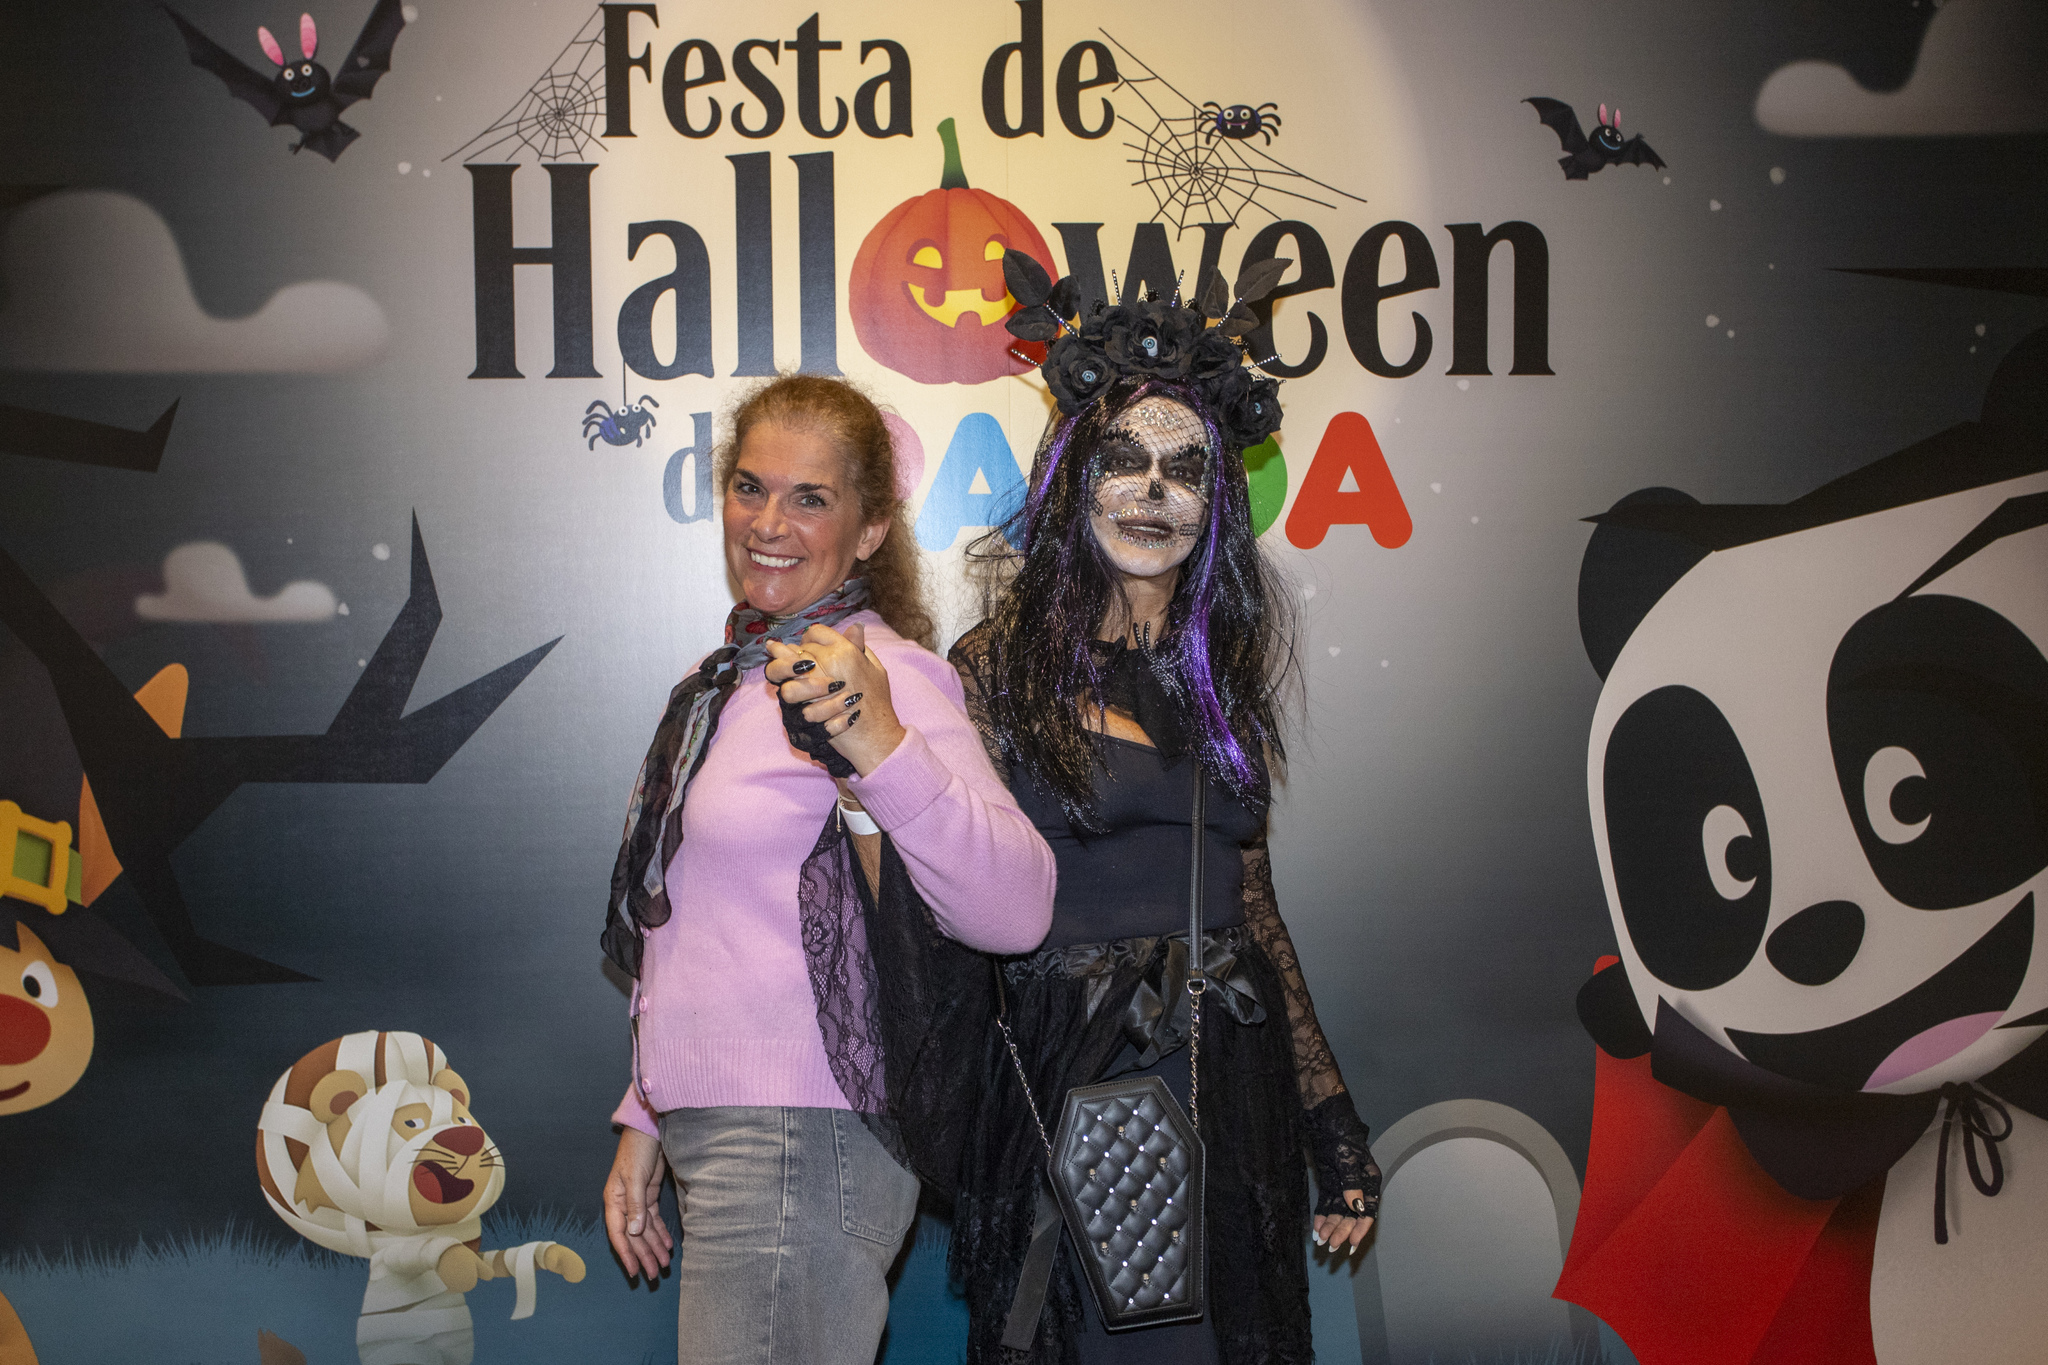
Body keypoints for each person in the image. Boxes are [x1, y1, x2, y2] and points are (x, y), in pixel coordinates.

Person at [942, 262, 1382, 1363]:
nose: (1152, 492)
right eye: (1124, 461)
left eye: (1185, 469)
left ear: (1217, 502)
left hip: (1226, 1077)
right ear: (1071, 481)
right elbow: (950, 899)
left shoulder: (1221, 681)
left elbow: (1254, 909)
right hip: (1076, 1073)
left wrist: (1329, 1121)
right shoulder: (992, 669)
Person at [597, 374, 1057, 1365]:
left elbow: (1017, 907)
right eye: (750, 487)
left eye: (810, 498)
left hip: (802, 1138)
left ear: (870, 529)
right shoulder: (724, 682)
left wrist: (877, 740)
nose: (769, 523)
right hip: (731, 1130)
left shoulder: (882, 676)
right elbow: (700, 922)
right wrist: (647, 1112)